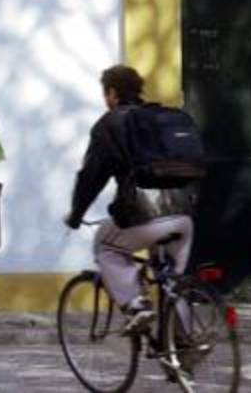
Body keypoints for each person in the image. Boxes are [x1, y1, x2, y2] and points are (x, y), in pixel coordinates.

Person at [64, 64, 194, 335]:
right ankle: (183, 353)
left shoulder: (110, 124)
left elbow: (91, 177)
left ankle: (136, 306)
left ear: (112, 93)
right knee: (173, 280)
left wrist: (76, 215)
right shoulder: (161, 119)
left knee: (105, 246)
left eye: (105, 94)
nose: (105, 100)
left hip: (144, 215)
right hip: (184, 216)